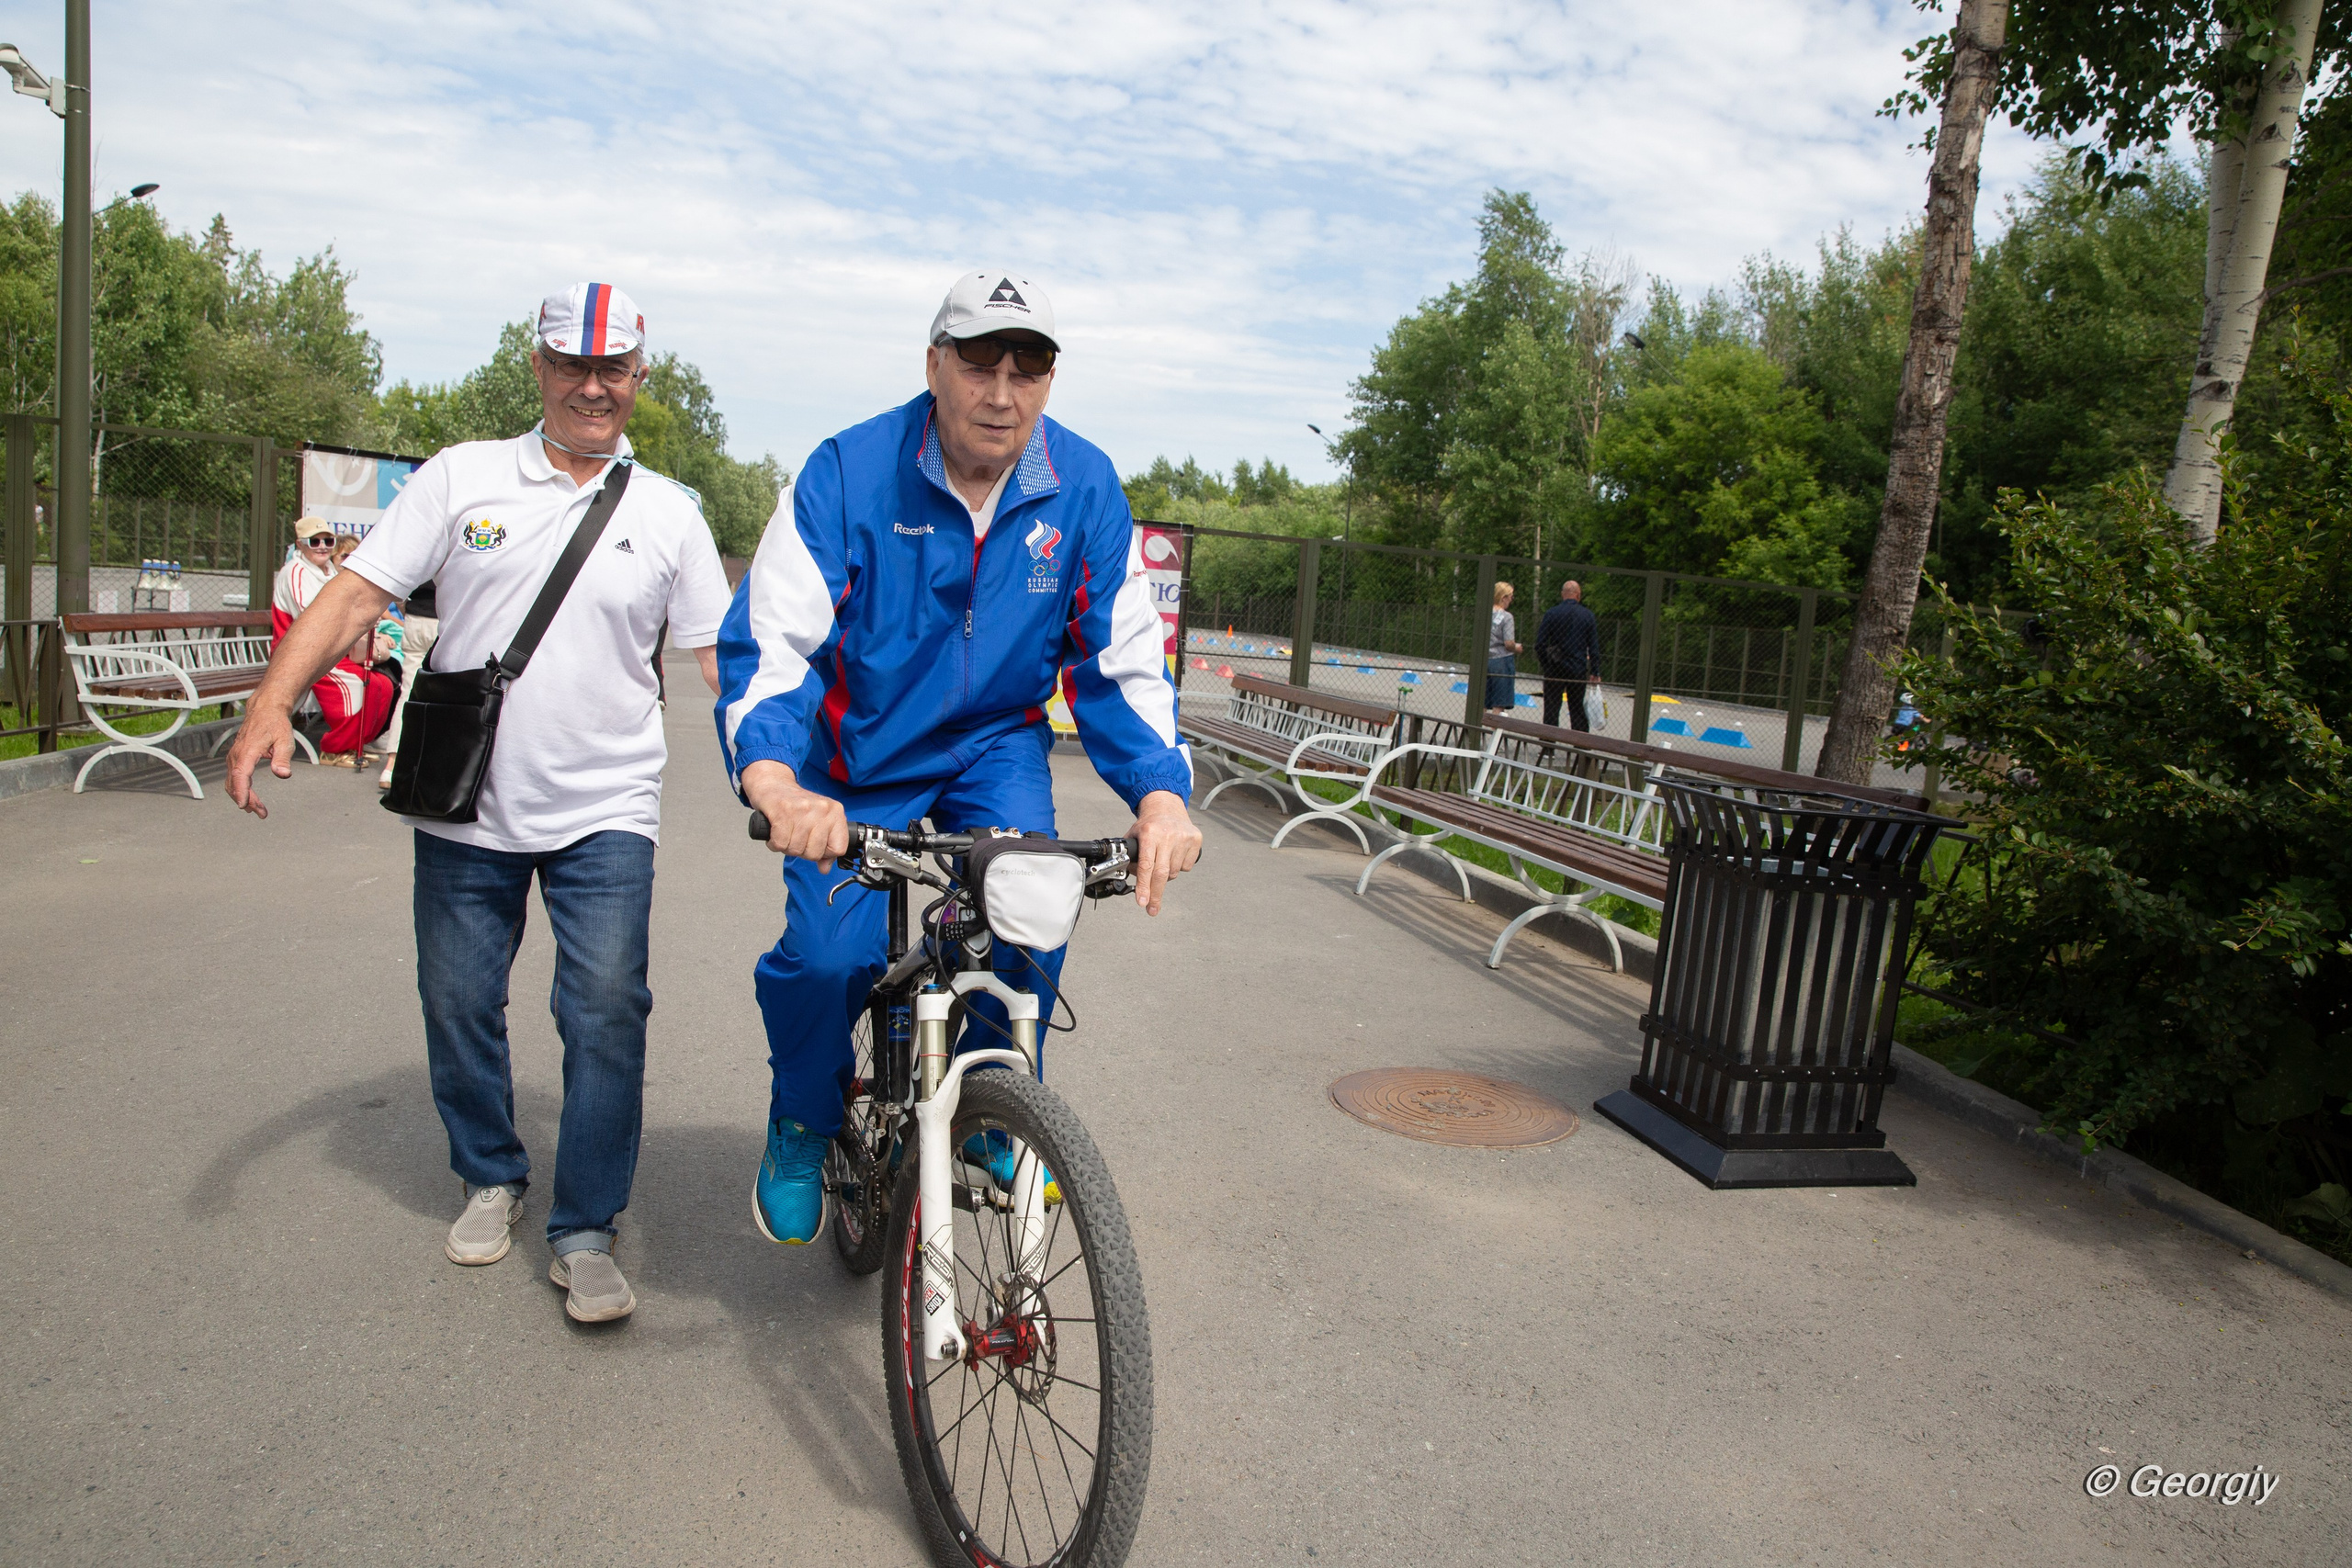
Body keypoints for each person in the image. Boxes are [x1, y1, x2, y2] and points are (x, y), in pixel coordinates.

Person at [226, 282, 731, 1325]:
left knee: (604, 1014)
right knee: (458, 1001)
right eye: (570, 365)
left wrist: (785, 770)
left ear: (639, 377)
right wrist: (273, 703)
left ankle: (587, 1226)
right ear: (539, 368)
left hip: (607, 807)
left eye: (613, 369)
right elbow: (360, 593)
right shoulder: (461, 479)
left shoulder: (669, 510)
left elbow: (723, 660)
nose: (592, 387)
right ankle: (491, 1172)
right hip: (467, 806)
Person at [718, 269, 1203, 1247]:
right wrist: (773, 778)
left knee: (1035, 897)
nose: (1001, 388)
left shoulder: (1084, 485)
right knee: (826, 959)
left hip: (992, 746)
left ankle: (988, 1101)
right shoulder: (848, 472)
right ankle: (806, 1119)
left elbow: (1118, 658)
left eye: (1029, 365)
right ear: (934, 365)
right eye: (979, 359)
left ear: (1051, 381)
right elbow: (776, 643)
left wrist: (1160, 795)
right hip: (852, 759)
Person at [272, 518, 395, 767]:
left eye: (327, 541)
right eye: (314, 541)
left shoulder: (330, 571)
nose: (322, 547)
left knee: (382, 685)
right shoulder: (295, 572)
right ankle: (332, 748)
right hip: (302, 653)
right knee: (357, 685)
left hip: (331, 649)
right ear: (300, 544)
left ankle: (354, 744)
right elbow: (310, 620)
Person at [376, 578, 440, 790]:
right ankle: (431, 764)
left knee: (409, 692)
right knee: (444, 692)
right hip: (443, 617)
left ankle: (392, 765)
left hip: (415, 617)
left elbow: (400, 589)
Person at [1534, 579, 1603, 731]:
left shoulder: (1552, 614)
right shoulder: (1587, 616)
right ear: (1578, 595)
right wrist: (1594, 670)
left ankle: (1548, 744)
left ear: (1562, 594)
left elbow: (1540, 644)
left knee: (1552, 706)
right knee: (1577, 707)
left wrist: (1546, 663)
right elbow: (1593, 646)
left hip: (1555, 666)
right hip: (1577, 667)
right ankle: (1580, 745)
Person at [1486, 580, 1521, 712]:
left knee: (1483, 700)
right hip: (1501, 660)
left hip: (1485, 659)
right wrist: (1516, 647)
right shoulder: (1507, 617)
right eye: (1511, 596)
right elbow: (1508, 642)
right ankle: (1496, 731)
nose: (1511, 600)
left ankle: (1477, 730)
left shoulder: (1485, 614)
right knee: (1499, 702)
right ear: (1503, 598)